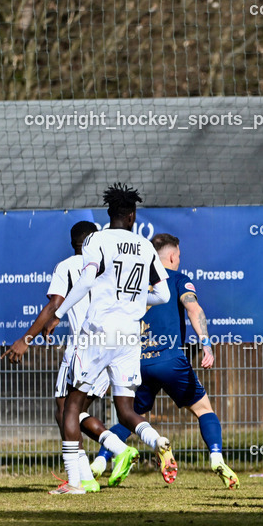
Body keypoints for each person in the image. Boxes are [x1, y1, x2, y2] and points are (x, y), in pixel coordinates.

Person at [44, 183, 176, 493]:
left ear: (109, 214)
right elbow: (164, 294)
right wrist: (136, 301)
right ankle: (157, 440)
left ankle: (76, 483)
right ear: (132, 216)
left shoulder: (96, 240)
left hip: (99, 331)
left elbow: (87, 278)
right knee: (126, 410)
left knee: (71, 406)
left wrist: (59, 313)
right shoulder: (145, 246)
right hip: (130, 334)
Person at [91, 233, 239, 489]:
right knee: (203, 409)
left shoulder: (132, 284)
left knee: (131, 416)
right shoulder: (178, 280)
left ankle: (101, 461)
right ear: (172, 256)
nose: (179, 260)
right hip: (170, 360)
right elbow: (193, 309)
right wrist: (206, 344)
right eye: (179, 256)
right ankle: (216, 457)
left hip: (138, 362)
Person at [1, 221, 112, 493]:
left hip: (81, 348)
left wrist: (25, 339)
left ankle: (103, 461)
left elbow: (55, 304)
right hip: (113, 347)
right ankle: (88, 472)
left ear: (73, 242)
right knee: (76, 409)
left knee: (66, 411)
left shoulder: (67, 267)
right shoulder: (108, 267)